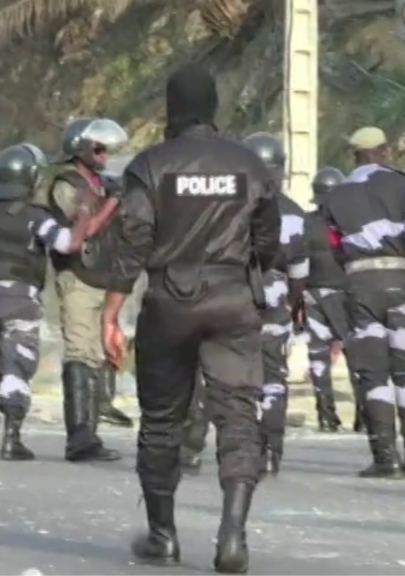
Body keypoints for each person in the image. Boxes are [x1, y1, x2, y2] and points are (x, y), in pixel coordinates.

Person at [101, 63, 281, 572]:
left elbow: (132, 240)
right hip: (234, 299)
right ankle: (233, 536)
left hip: (169, 302)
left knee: (162, 421)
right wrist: (248, 277)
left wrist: (112, 312)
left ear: (170, 109)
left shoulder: (151, 165)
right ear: (214, 109)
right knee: (238, 416)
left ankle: (164, 537)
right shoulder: (249, 165)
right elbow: (268, 238)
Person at [0, 143, 94, 460]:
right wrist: (83, 213)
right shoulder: (34, 216)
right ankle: (10, 439)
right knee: (16, 366)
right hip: (19, 300)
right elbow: (67, 243)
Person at [322, 126, 405, 479]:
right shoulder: (403, 185)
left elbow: (334, 246)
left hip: (361, 284)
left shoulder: (335, 196)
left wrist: (354, 272)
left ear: (355, 155)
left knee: (373, 375)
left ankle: (385, 457)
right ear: (384, 152)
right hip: (400, 282)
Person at [33, 117, 128, 462]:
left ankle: (96, 423)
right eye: (100, 149)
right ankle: (80, 438)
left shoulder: (102, 183)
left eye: (108, 150)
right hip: (78, 277)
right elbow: (83, 232)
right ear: (83, 149)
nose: (105, 156)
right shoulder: (67, 184)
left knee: (99, 352)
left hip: (105, 275)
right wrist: (113, 201)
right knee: (80, 352)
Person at [241, 131, 309, 476]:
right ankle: (273, 450)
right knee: (273, 379)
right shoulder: (295, 214)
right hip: (276, 307)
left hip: (236, 304)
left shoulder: (231, 206)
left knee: (235, 380)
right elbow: (298, 272)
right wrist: (296, 310)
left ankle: (241, 448)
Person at [304, 166, 353, 432]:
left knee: (318, 354)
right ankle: (365, 417)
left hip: (311, 293)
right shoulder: (347, 224)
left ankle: (325, 415)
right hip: (341, 293)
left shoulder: (305, 222)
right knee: (354, 351)